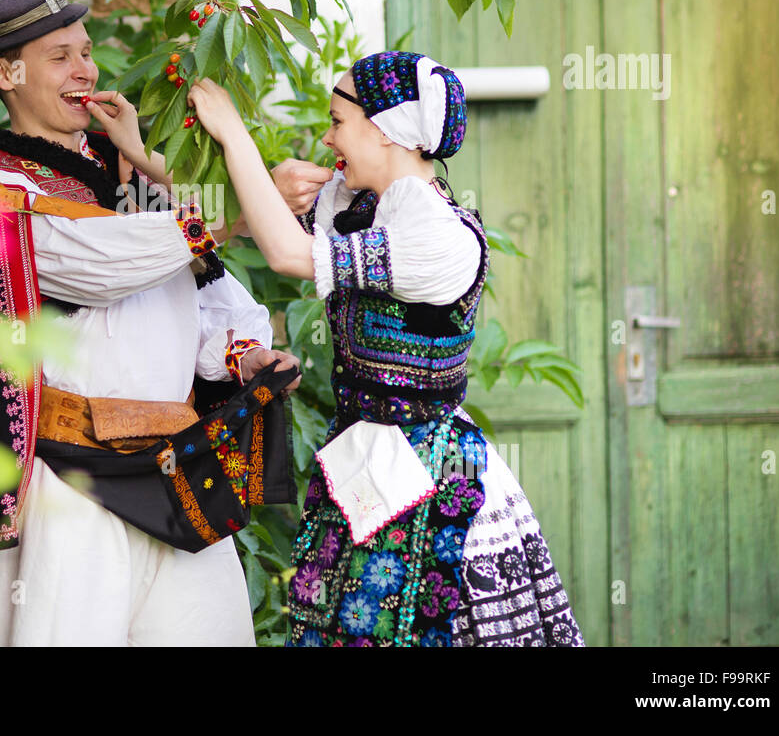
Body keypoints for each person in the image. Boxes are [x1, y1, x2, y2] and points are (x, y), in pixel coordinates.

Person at [0, 0, 302, 646]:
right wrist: (238, 217)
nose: (85, 71)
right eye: (60, 56)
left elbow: (208, 297)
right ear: (7, 73)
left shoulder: (129, 185)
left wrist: (246, 353)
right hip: (73, 485)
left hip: (176, 472)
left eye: (86, 53)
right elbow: (104, 264)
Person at [186, 51, 584, 646]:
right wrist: (135, 150)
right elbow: (230, 219)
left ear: (383, 128)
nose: (327, 137)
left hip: (429, 474)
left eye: (338, 122)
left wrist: (235, 132)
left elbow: (287, 255)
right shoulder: (362, 211)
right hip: (361, 463)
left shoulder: (438, 236)